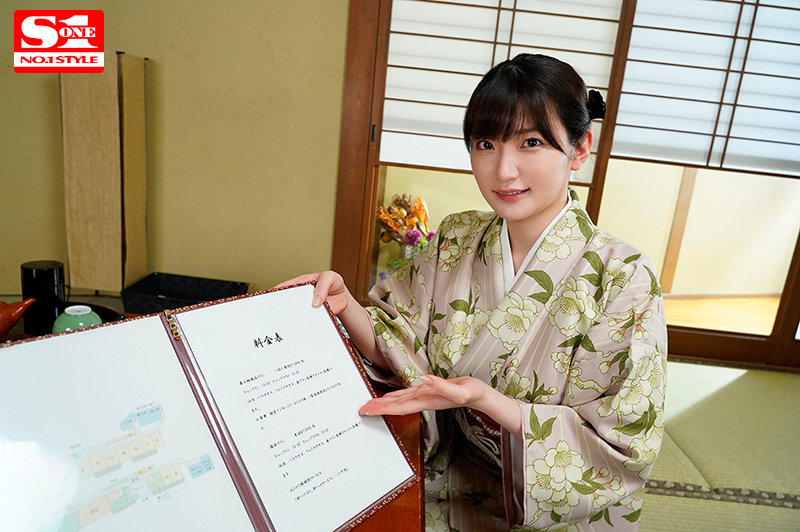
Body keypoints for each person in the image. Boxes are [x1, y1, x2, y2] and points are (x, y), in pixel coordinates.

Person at [278, 54, 667, 530]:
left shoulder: (623, 277)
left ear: (580, 148)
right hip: (439, 480)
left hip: (537, 509)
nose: (504, 171)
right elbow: (398, 338)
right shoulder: (456, 238)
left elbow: (621, 443)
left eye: (531, 143)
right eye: (486, 144)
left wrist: (485, 400)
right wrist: (346, 306)